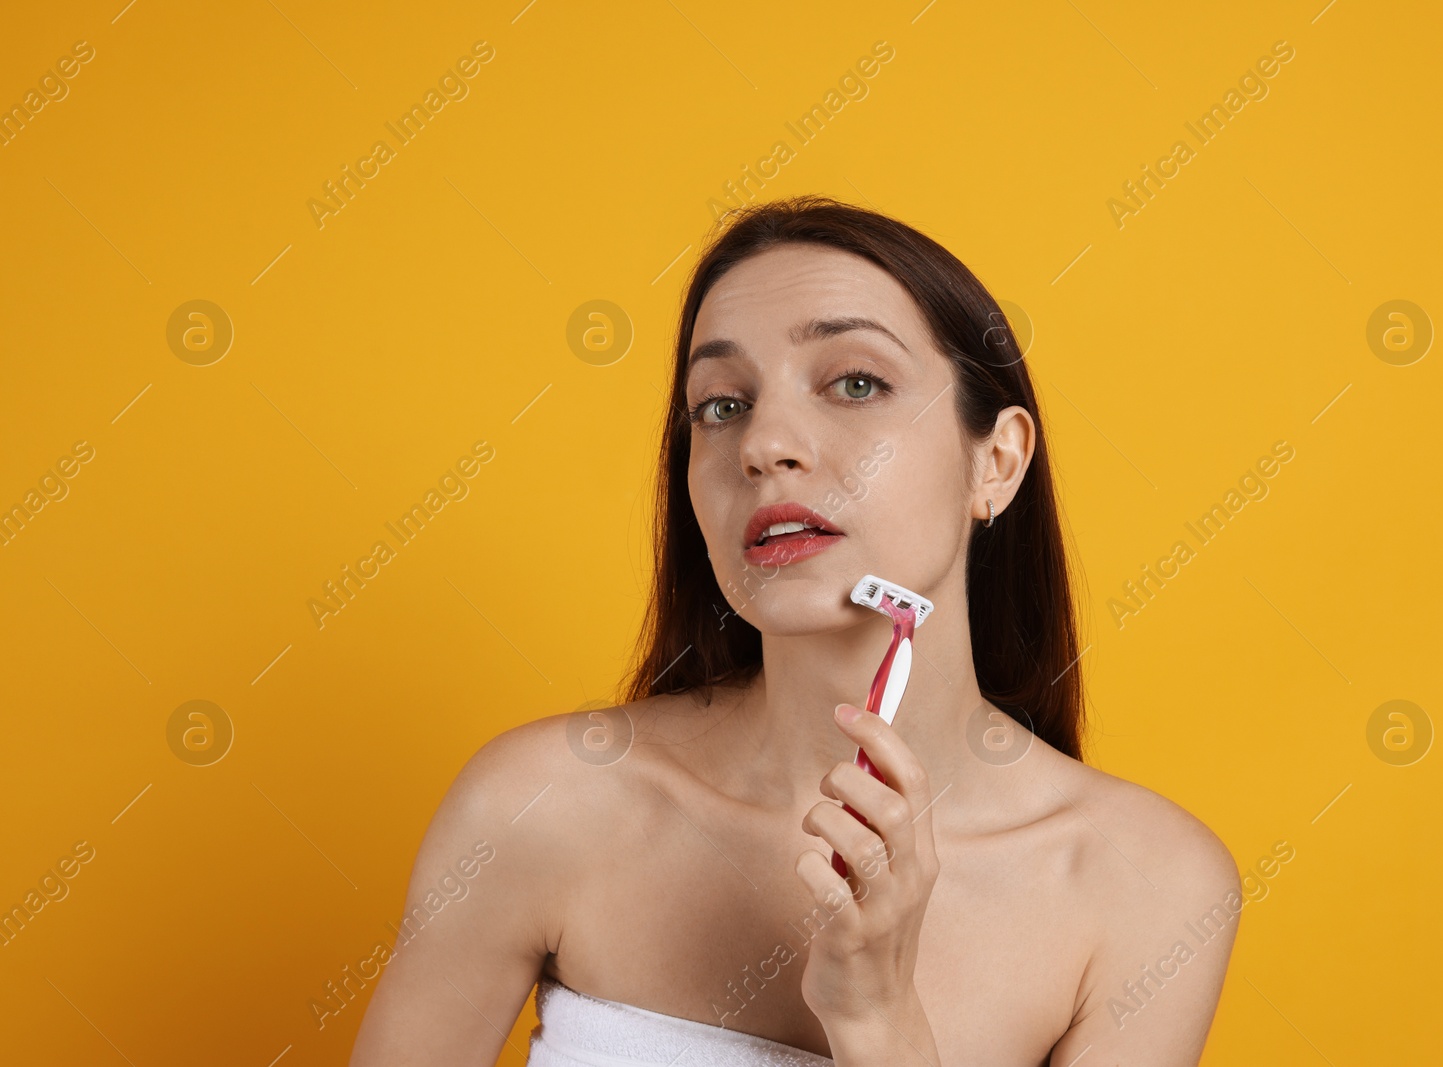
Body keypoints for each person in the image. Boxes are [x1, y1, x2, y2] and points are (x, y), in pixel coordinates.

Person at [349, 196, 1240, 1066]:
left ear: (995, 461)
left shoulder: (1147, 887)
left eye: (857, 382)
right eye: (721, 403)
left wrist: (879, 1019)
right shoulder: (541, 804)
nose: (765, 442)